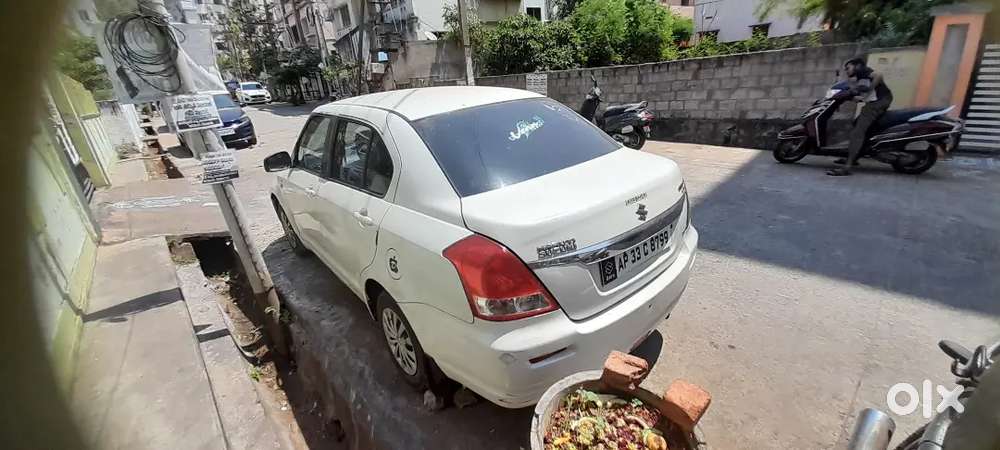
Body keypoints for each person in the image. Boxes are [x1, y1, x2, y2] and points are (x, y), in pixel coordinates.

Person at [827, 57, 893, 176]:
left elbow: (878, 75)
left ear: (857, 65)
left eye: (848, 68)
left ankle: (847, 167)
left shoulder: (864, 71)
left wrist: (868, 90)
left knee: (857, 133)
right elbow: (860, 92)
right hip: (878, 101)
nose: (847, 71)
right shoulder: (860, 76)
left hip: (878, 103)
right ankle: (855, 157)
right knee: (856, 125)